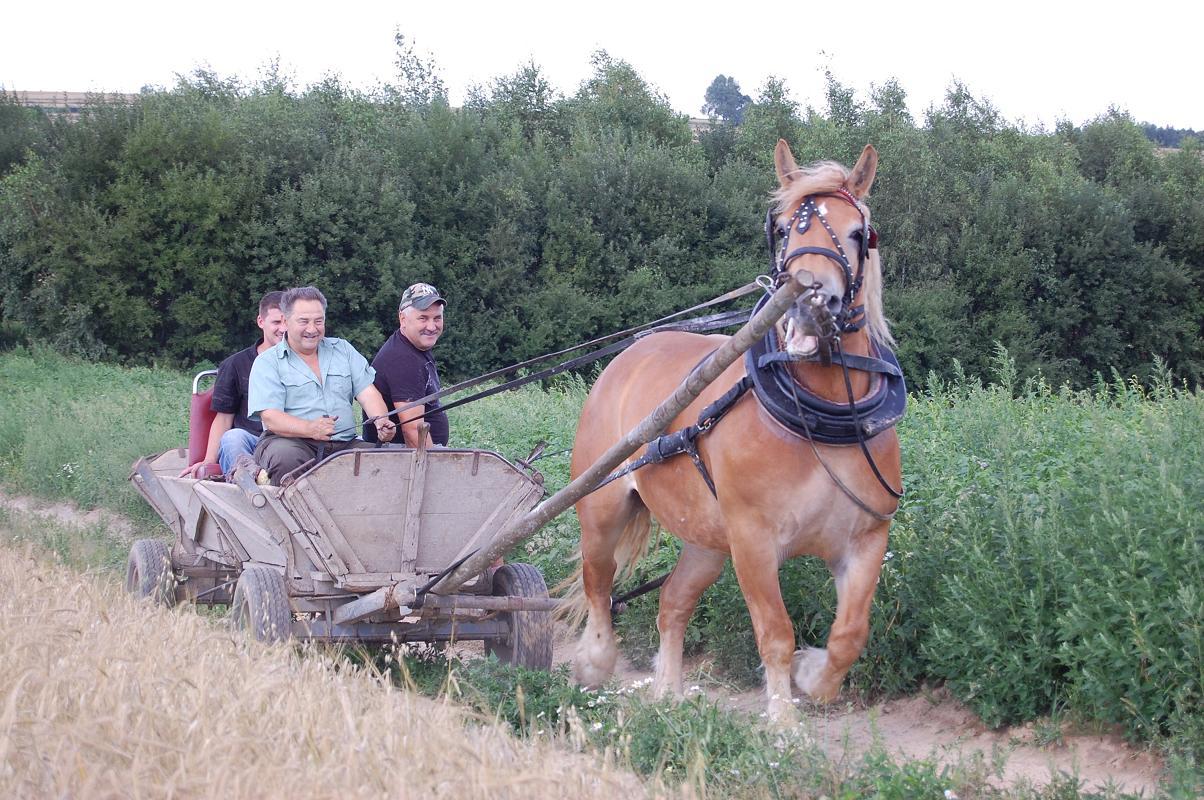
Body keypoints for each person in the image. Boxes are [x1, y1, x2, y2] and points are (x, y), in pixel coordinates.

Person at [248, 286, 397, 485]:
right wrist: (310, 429)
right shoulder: (268, 362)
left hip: (345, 444)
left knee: (388, 461)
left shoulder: (342, 350)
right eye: (304, 321)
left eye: (318, 321)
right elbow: (271, 418)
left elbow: (368, 392)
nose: (312, 329)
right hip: (289, 442)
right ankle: (292, 514)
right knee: (286, 458)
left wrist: (381, 421)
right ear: (285, 321)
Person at [180, 291, 287, 478]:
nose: (283, 328)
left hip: (292, 440)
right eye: (276, 322)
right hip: (252, 441)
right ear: (261, 322)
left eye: (287, 321)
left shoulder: (304, 361)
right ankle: (250, 481)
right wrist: (208, 460)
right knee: (233, 437)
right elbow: (223, 418)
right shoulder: (236, 365)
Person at [363, 282, 449, 448]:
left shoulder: (415, 347)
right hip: (401, 459)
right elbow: (414, 432)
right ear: (403, 318)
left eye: (437, 318)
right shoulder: (402, 360)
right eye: (423, 318)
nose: (432, 327)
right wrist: (439, 466)